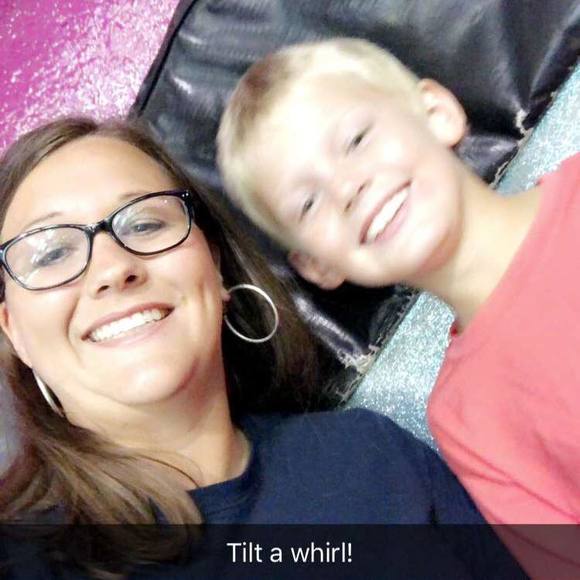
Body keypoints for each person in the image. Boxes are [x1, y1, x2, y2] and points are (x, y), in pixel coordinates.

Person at [0, 117, 524, 579]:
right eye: (51, 254)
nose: (114, 268)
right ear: (13, 330)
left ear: (215, 267)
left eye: (145, 223)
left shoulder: (369, 455)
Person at [216, 37, 580, 577]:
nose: (348, 186)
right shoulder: (464, 420)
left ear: (435, 113)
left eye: (356, 140)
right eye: (308, 202)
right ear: (317, 265)